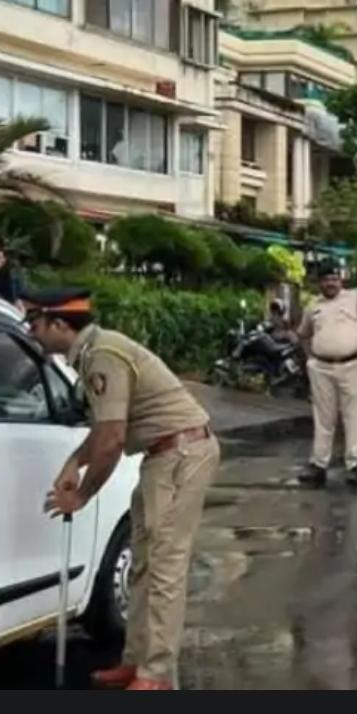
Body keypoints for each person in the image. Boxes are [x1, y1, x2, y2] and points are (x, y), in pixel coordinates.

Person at [23, 287, 219, 691]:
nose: (32, 333)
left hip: (181, 454)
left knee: (164, 567)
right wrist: (73, 462)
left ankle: (157, 674)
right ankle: (137, 662)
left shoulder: (102, 357)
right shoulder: (96, 351)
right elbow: (104, 429)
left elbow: (112, 439)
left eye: (36, 324)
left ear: (60, 324)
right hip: (163, 456)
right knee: (144, 564)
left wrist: (81, 495)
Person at [296, 261, 357, 487]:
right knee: (323, 417)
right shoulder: (313, 305)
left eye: (334, 279)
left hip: (352, 364)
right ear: (319, 283)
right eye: (326, 280)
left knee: (353, 416)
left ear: (340, 280)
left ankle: (355, 465)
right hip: (321, 367)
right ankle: (318, 464)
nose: (331, 283)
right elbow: (303, 334)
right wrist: (309, 359)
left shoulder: (355, 298)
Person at [0, 242, 25, 307]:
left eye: (1, 257)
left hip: (4, 304)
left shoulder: (8, 274)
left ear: (5, 259)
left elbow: (11, 293)